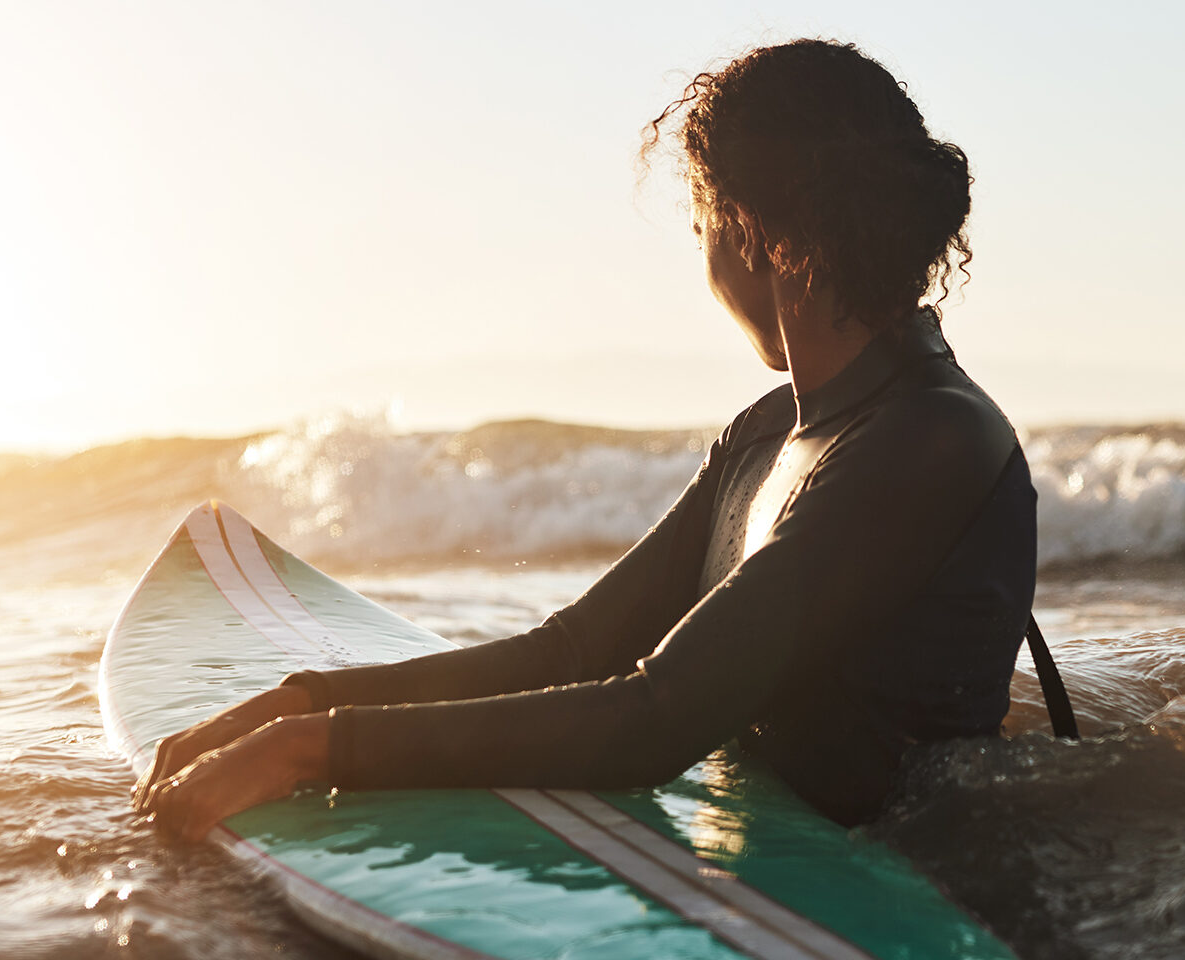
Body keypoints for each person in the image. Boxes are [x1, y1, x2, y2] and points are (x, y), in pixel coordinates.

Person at [137, 38, 1037, 839]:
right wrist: (305, 705)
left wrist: (311, 755)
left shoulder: (933, 437)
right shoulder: (767, 434)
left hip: (929, 878)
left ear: (751, 235)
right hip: (787, 840)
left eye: (700, 228)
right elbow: (568, 654)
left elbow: (656, 719)